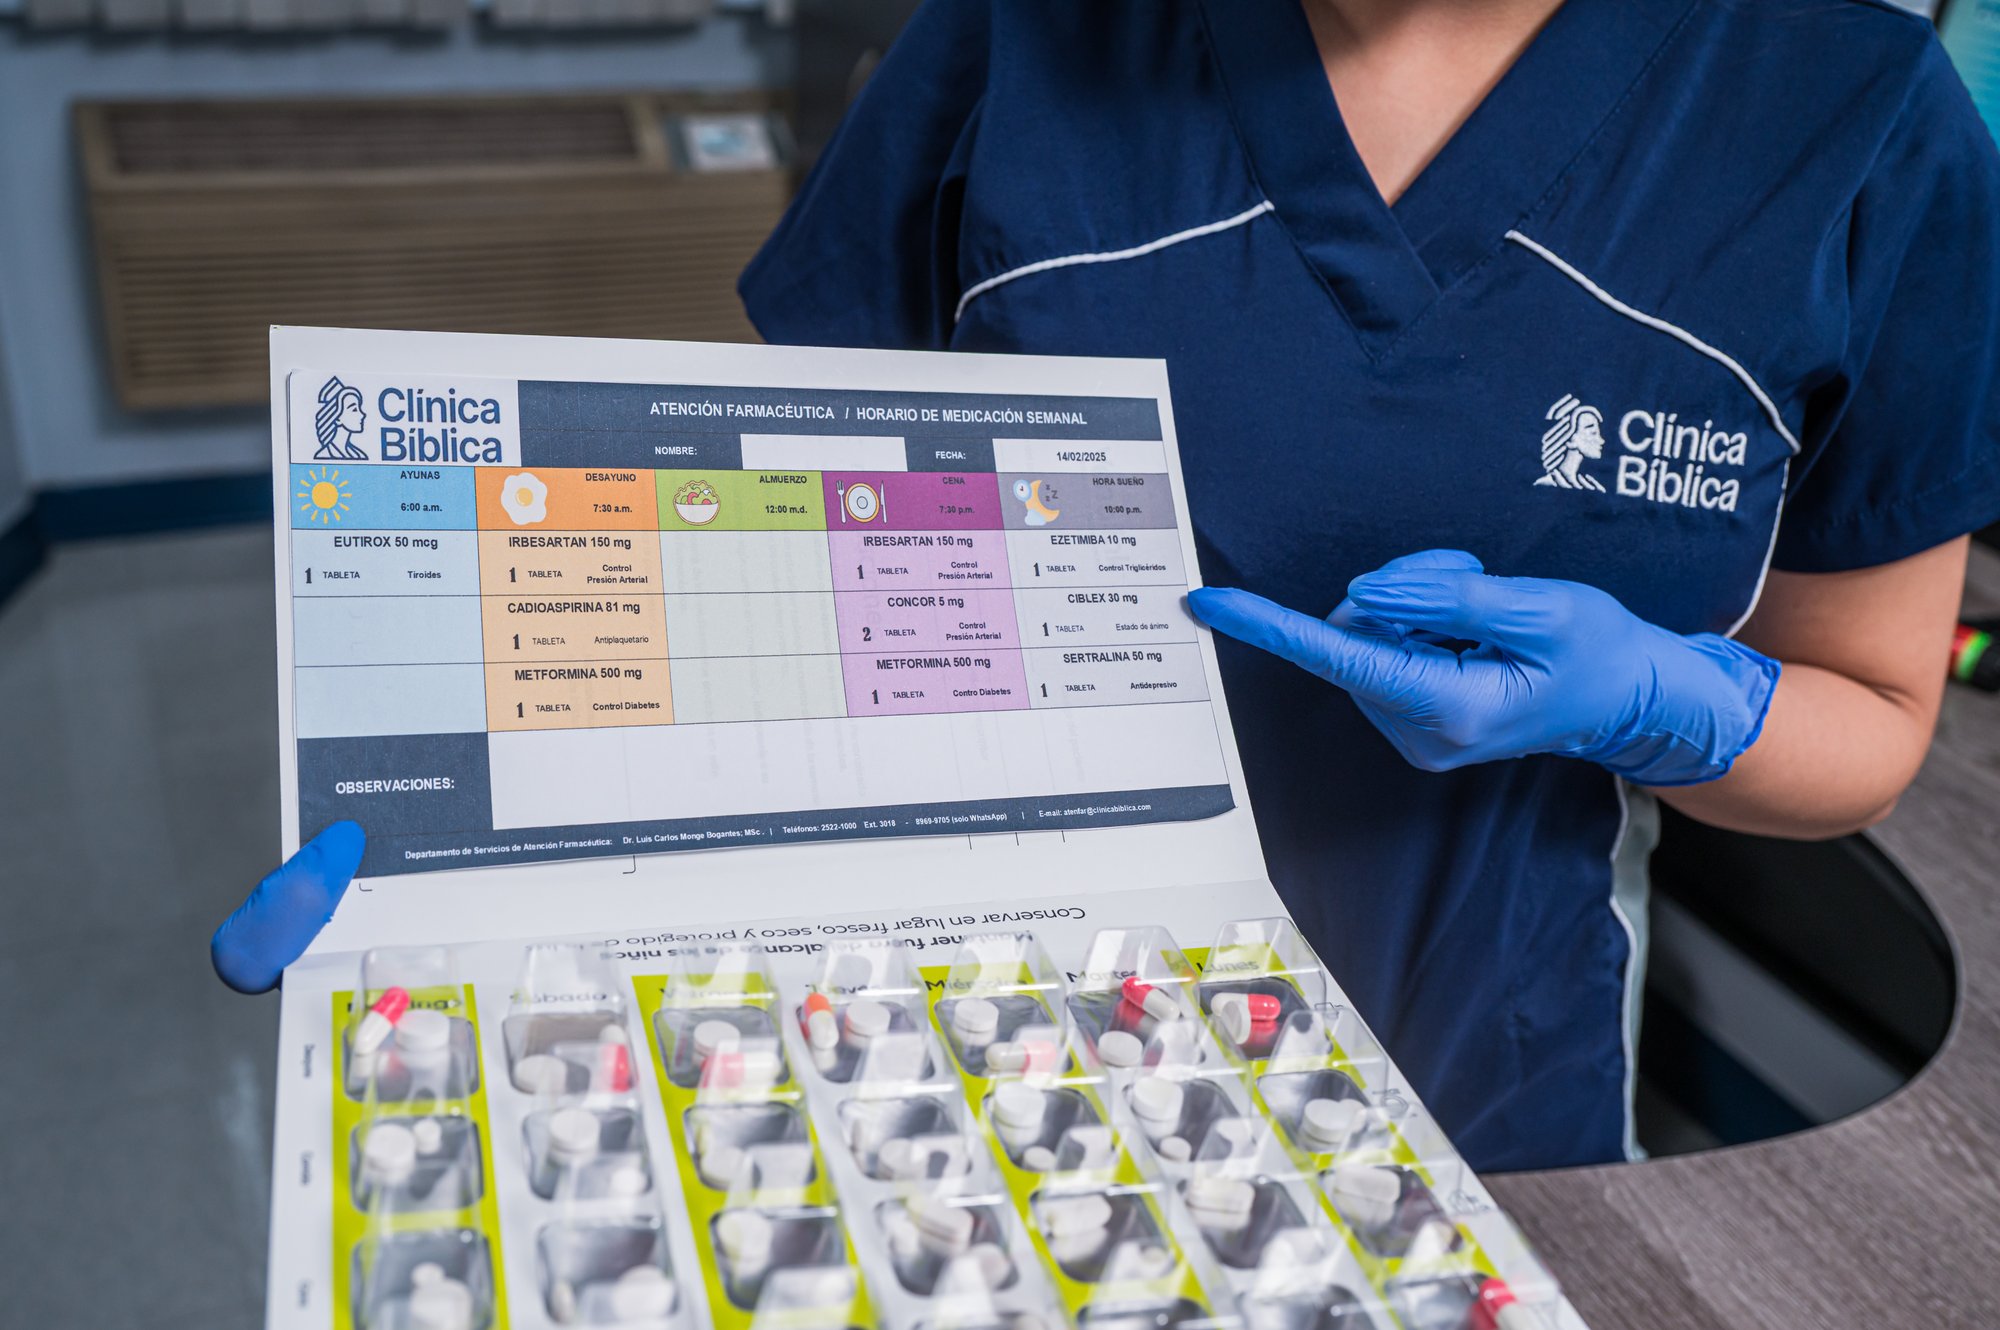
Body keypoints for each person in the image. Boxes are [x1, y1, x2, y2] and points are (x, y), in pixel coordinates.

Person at [216, 0, 2000, 1171]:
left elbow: (1876, 708)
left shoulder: (1849, 117)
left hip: (1487, 1063)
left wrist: (1667, 702)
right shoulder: (1026, 38)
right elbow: (756, 583)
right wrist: (464, 859)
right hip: (960, 1033)